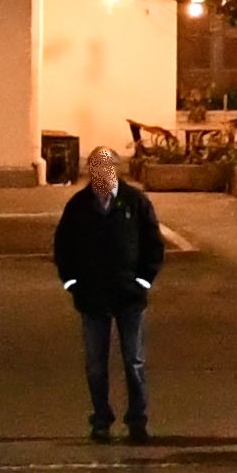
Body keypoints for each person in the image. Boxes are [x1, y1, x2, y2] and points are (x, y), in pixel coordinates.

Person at [51, 146, 166, 443]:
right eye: (95, 166)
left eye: (106, 166)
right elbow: (63, 246)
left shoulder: (134, 202)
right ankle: (101, 419)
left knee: (134, 360)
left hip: (129, 297)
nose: (101, 172)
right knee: (96, 363)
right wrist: (72, 283)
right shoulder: (78, 205)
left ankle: (137, 420)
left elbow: (153, 243)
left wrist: (143, 281)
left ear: (116, 168)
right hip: (92, 297)